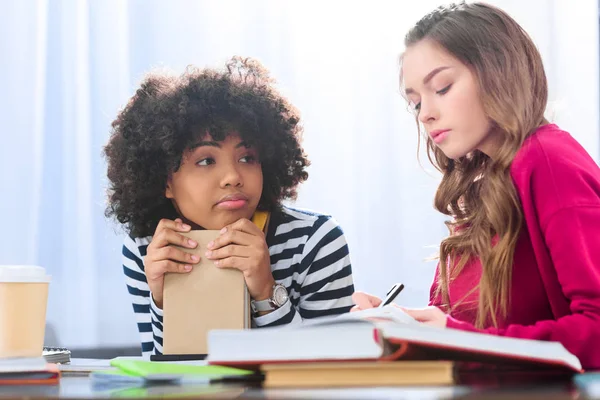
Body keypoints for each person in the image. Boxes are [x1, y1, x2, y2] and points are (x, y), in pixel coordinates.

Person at [352, 2, 600, 369]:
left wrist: (454, 337)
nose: (425, 114)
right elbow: (476, 330)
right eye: (415, 102)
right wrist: (401, 322)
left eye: (443, 87)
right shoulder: (485, 180)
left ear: (498, 72)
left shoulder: (547, 161)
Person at [104, 56, 355, 357]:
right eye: (206, 161)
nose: (233, 177)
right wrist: (162, 298)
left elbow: (330, 373)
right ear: (165, 181)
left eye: (247, 157)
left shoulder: (316, 241)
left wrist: (266, 291)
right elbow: (167, 378)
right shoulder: (147, 248)